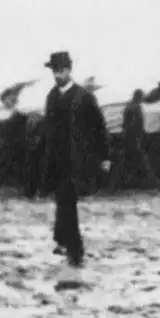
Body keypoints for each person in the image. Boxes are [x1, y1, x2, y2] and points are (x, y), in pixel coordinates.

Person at [41, 51, 110, 287]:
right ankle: (69, 245)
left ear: (69, 70)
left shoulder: (83, 97)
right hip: (57, 160)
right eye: (54, 71)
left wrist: (104, 156)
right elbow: (48, 130)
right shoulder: (51, 97)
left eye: (60, 70)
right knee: (63, 201)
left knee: (67, 200)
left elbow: (99, 126)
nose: (57, 74)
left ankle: (71, 247)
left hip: (79, 160)